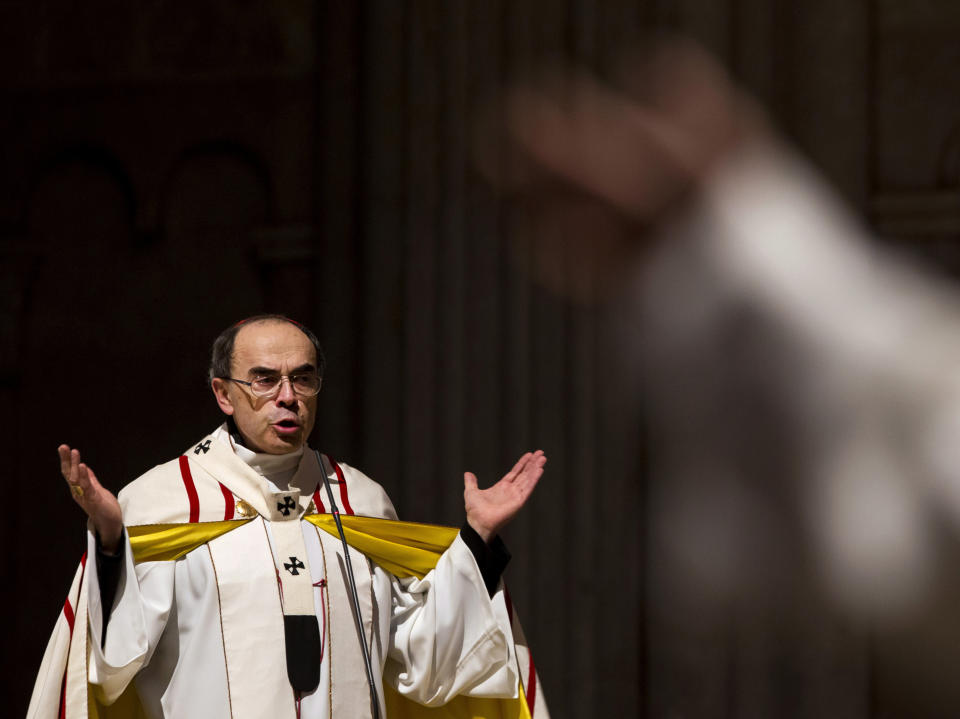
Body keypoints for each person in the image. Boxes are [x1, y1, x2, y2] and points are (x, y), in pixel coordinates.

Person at [28, 314, 549, 719]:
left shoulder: (360, 500)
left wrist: (478, 538)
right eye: (264, 379)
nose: (287, 398)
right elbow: (113, 658)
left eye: (303, 379)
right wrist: (113, 541)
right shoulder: (163, 500)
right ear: (222, 393)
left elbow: (422, 661)